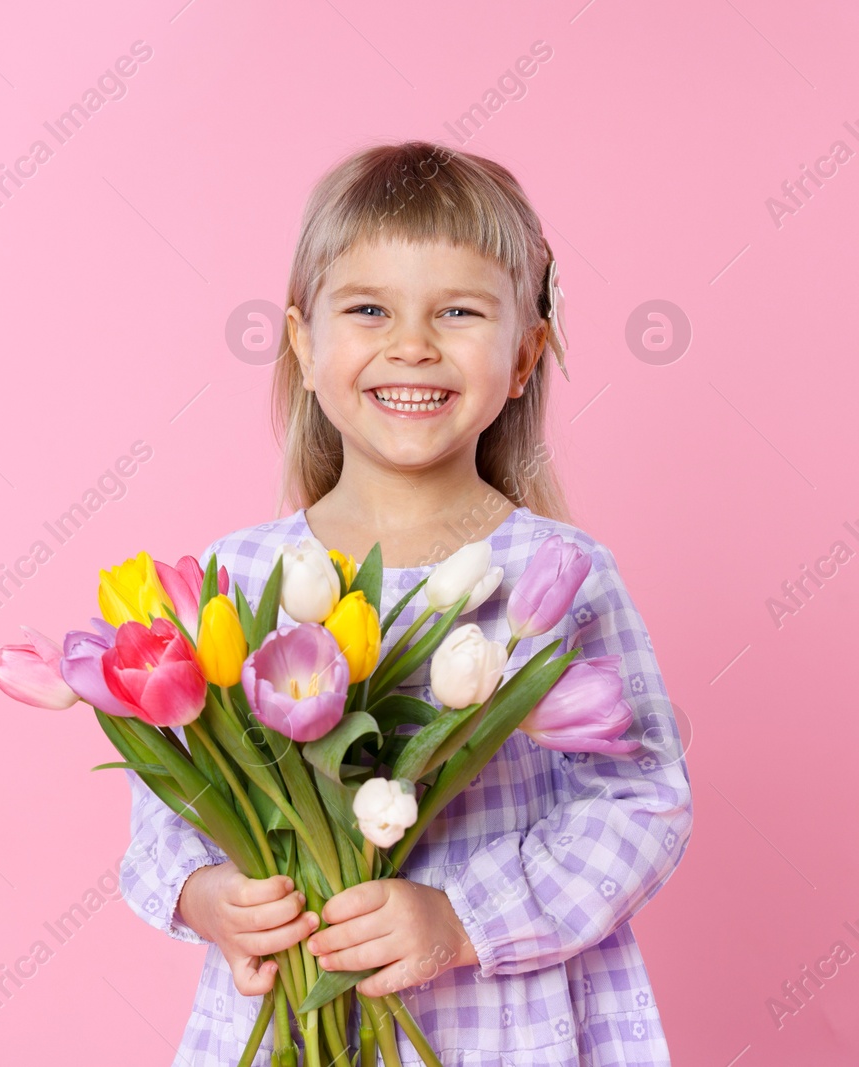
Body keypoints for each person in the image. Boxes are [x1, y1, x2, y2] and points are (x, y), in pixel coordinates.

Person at [119, 141, 694, 1065]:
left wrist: (466, 918)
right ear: (305, 346)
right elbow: (171, 802)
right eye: (370, 309)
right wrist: (205, 894)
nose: (413, 344)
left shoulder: (558, 574)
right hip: (297, 1026)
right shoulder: (238, 577)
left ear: (523, 355)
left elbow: (644, 799)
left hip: (510, 1025)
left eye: (459, 311)